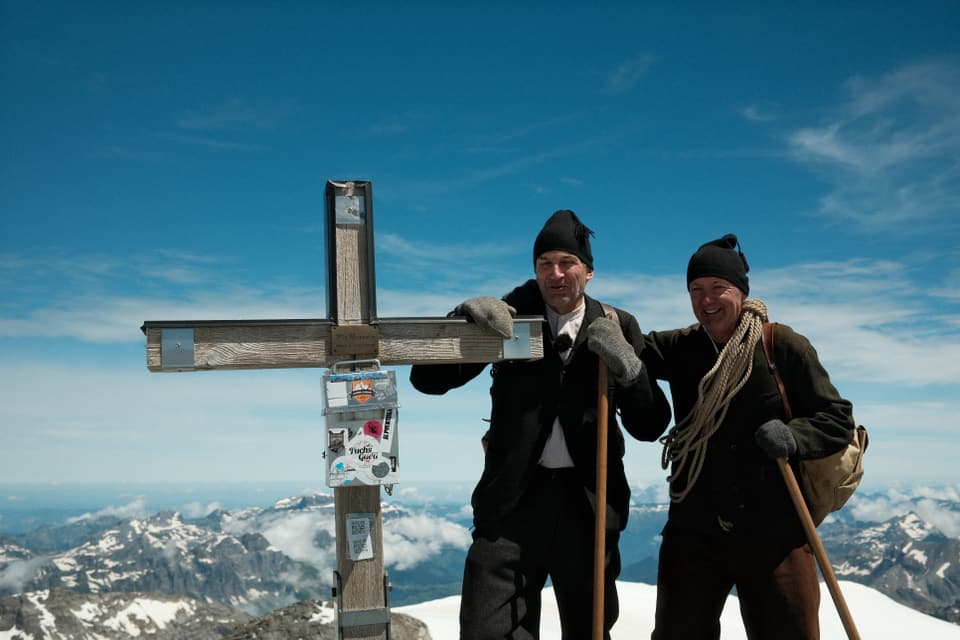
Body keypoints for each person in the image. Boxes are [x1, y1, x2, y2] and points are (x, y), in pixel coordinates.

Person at [410, 209, 671, 639]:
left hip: (588, 504)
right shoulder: (508, 317)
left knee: (589, 629)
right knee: (486, 630)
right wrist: (462, 322)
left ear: (588, 271)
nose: (556, 273)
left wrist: (630, 368)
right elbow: (428, 380)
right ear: (534, 269)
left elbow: (651, 423)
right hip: (512, 505)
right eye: (545, 263)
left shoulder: (616, 324)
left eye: (567, 263)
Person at [642, 233, 856, 640]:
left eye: (718, 288)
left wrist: (794, 436)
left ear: (740, 291)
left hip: (774, 530)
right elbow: (622, 340)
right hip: (695, 530)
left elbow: (837, 418)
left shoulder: (781, 345)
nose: (707, 300)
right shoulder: (682, 347)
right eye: (696, 290)